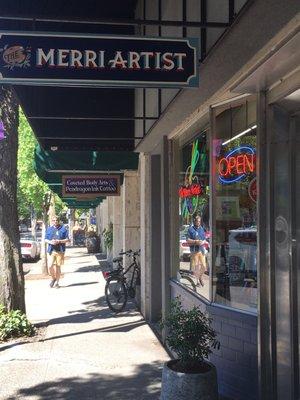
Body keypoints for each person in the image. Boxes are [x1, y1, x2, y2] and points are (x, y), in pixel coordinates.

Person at [45, 216, 69, 288]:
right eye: (54, 220)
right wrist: (51, 242)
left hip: (60, 251)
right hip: (51, 250)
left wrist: (59, 241)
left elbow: (67, 239)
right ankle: (53, 278)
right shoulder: (49, 229)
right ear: (52, 221)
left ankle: (57, 283)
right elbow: (45, 239)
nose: (55, 221)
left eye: (56, 220)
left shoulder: (63, 229)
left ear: (59, 221)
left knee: (58, 267)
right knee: (50, 266)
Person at [186, 214, 207, 287]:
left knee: (204, 267)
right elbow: (187, 240)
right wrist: (195, 241)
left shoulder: (201, 229)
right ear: (194, 221)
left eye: (200, 221)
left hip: (201, 250)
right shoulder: (190, 229)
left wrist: (203, 242)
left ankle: (200, 276)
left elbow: (204, 239)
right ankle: (198, 282)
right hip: (194, 251)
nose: (199, 223)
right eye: (197, 221)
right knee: (197, 267)